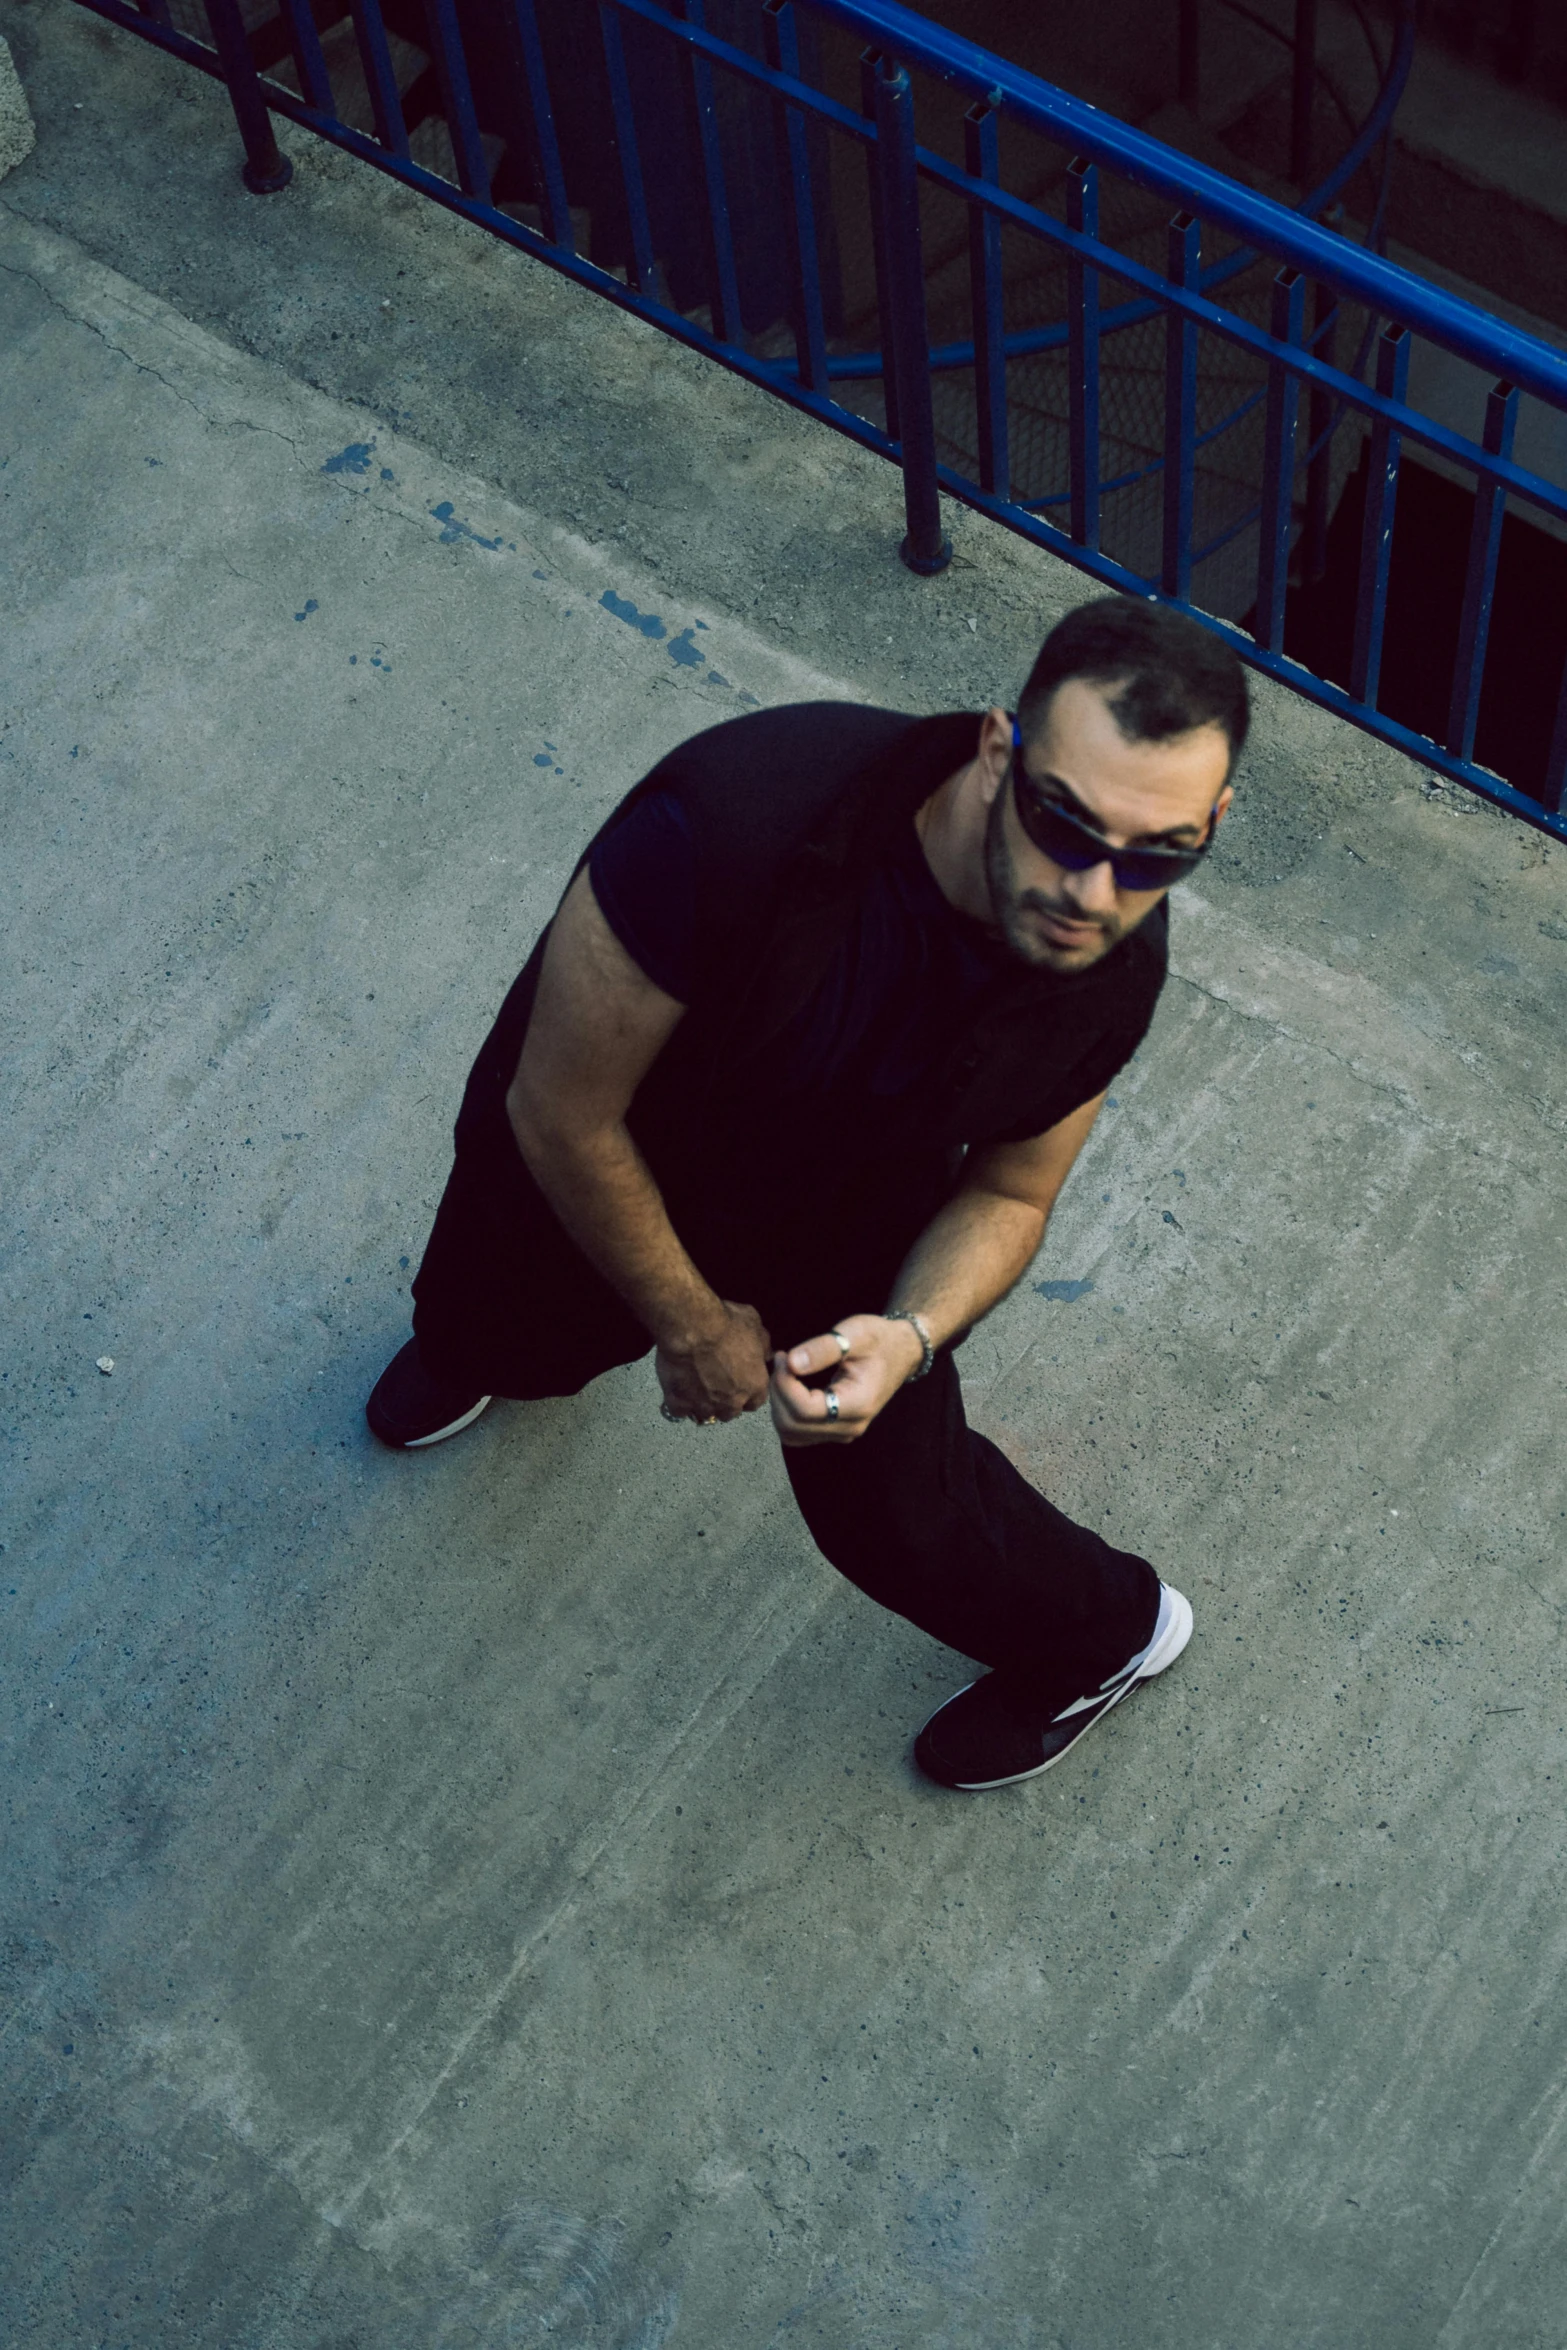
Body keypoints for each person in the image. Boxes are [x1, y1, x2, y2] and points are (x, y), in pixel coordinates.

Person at [367, 596, 1245, 1790]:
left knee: (895, 1511)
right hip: (636, 1132)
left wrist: (912, 1333)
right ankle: (496, 1346)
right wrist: (692, 1323)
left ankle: (1112, 1636)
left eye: (1156, 852)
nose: (1094, 890)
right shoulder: (735, 825)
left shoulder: (1106, 967)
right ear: (1000, 751)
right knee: (489, 1306)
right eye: (1063, 824)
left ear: (1209, 825)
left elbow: (1012, 1192)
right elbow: (561, 1110)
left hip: (856, 1206)